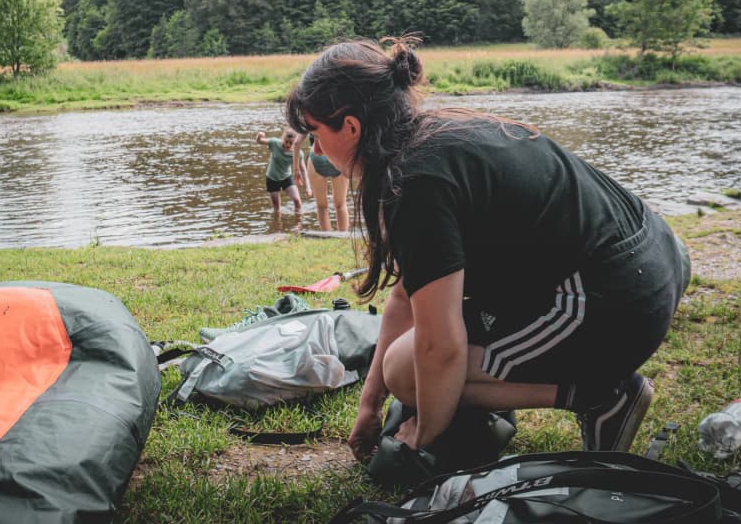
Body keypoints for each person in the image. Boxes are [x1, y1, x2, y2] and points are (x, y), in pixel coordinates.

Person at [284, 36, 691, 460]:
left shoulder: (416, 183)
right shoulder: (431, 138)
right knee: (411, 360)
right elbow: (407, 296)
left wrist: (421, 437)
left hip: (619, 297)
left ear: (350, 128)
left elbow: (440, 348)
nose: (315, 150)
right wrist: (369, 404)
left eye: (315, 135)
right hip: (655, 252)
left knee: (407, 372)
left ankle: (601, 396)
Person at [297, 133, 351, 231]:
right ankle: (343, 237)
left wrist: (296, 170)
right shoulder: (341, 116)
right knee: (341, 204)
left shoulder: (310, 117)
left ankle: (327, 238)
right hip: (339, 155)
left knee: (322, 207)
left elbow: (297, 142)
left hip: (317, 155)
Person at [256, 128, 303, 217]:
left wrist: (308, 188)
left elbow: (303, 169)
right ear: (283, 138)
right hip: (272, 178)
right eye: (286, 141)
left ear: (295, 142)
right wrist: (259, 135)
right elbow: (259, 141)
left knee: (297, 201)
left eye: (291, 143)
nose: (288, 145)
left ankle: (298, 225)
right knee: (277, 209)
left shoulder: (297, 153)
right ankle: (279, 227)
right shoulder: (274, 143)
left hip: (286, 177)